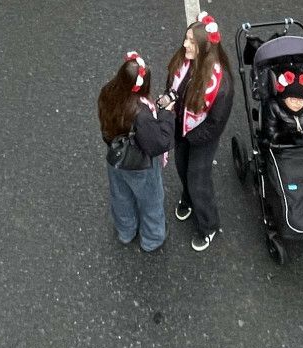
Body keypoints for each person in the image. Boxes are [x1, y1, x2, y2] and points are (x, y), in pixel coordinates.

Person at [163, 13, 233, 253]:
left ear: (204, 47)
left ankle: (209, 225)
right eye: (186, 38)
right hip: (183, 129)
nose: (184, 45)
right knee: (182, 168)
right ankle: (188, 198)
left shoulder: (221, 85)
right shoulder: (185, 62)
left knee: (198, 180)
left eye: (191, 41)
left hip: (201, 137)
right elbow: (173, 86)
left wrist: (190, 137)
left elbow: (215, 124)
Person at [99, 51, 174, 254]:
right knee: (150, 201)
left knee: (121, 196)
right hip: (139, 165)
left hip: (116, 158)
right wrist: (166, 113)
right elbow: (158, 143)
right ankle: (152, 238)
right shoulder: (140, 113)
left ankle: (126, 231)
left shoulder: (108, 93)